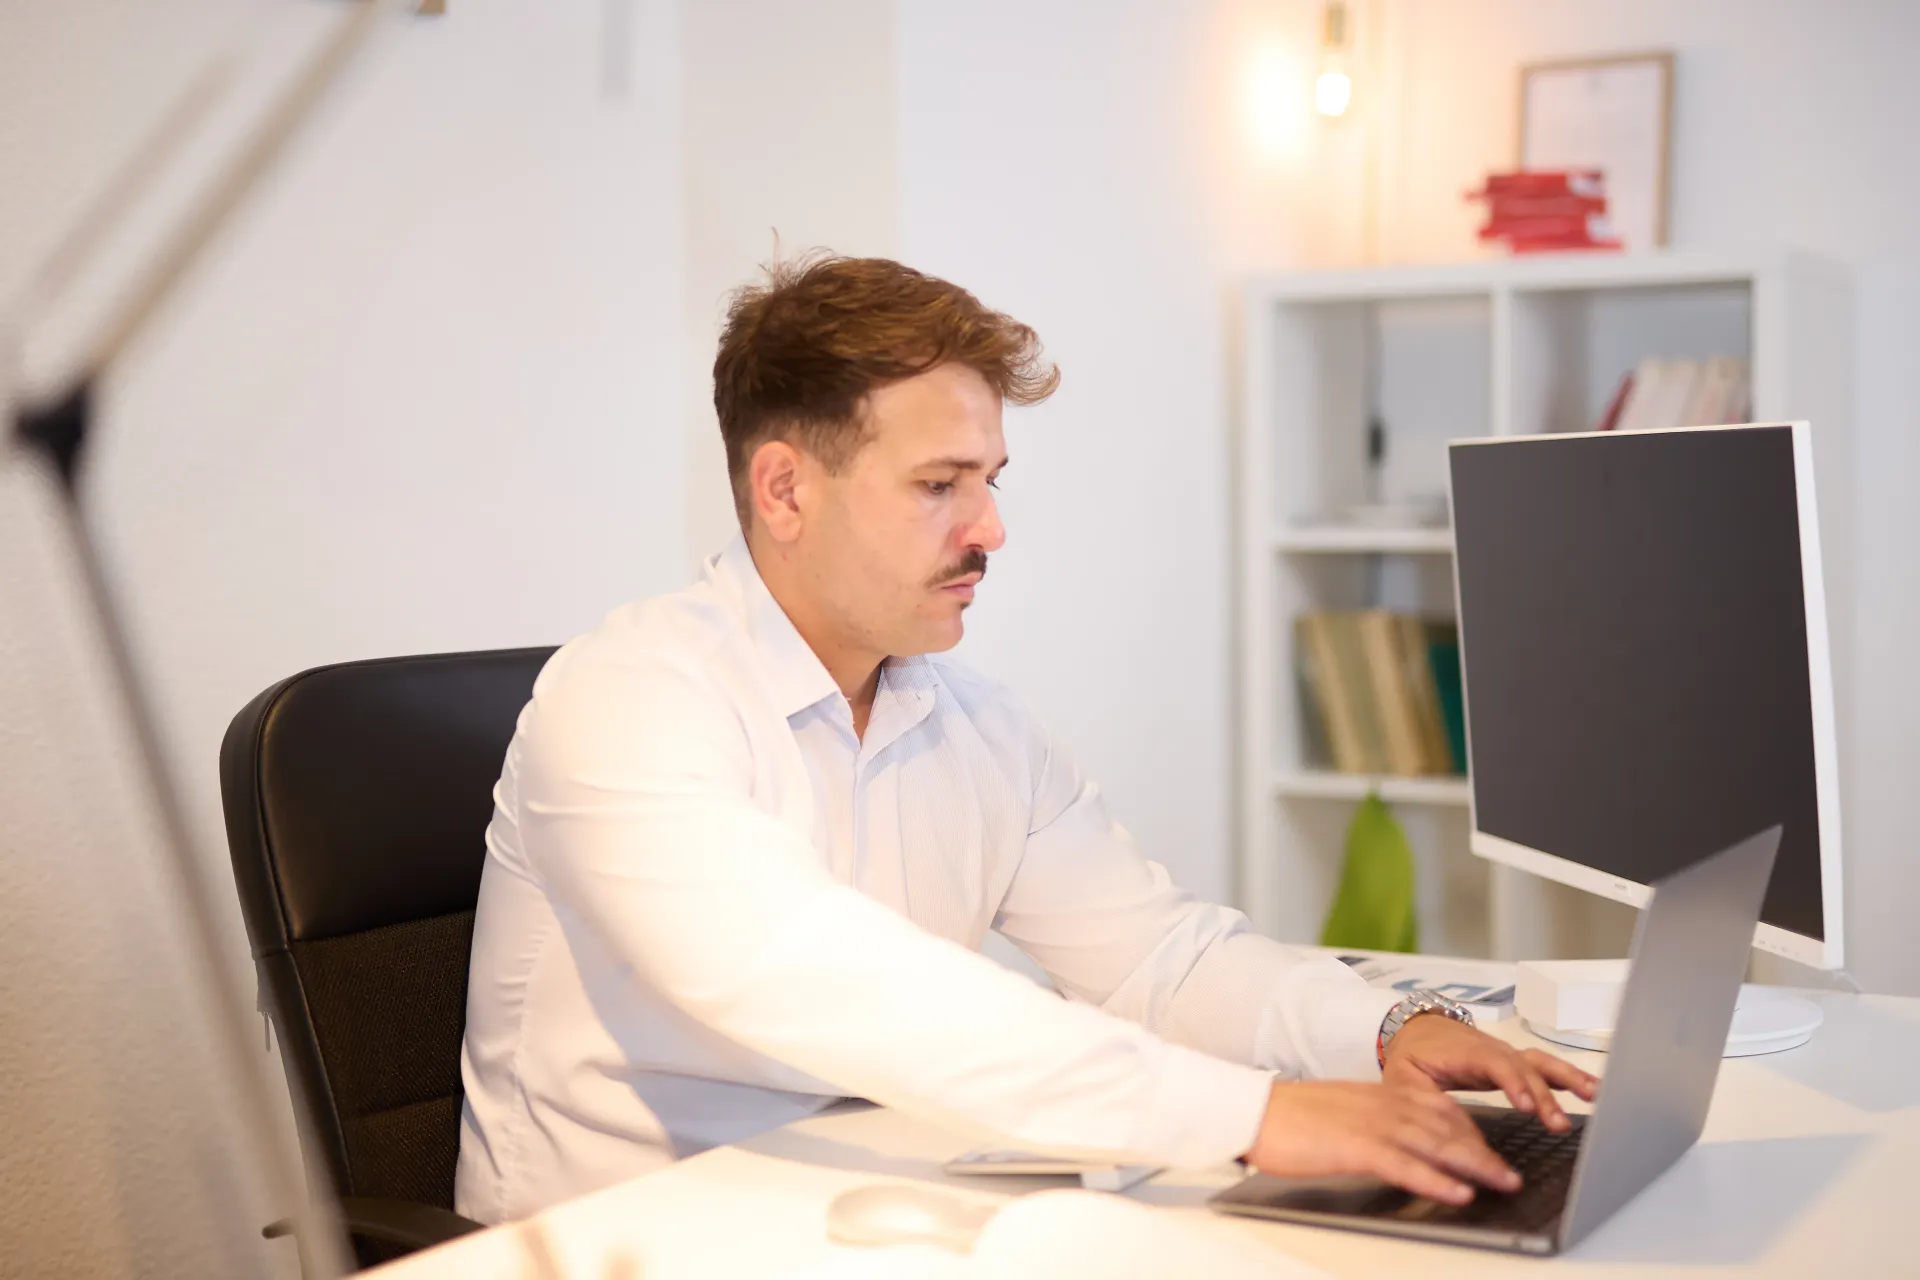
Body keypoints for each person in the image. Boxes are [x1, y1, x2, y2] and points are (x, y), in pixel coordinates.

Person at [454, 254, 1596, 1225]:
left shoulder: (971, 721)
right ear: (785, 489)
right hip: (626, 1237)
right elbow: (833, 981)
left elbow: (1160, 959)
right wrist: (1252, 1115)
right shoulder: (625, 701)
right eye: (939, 484)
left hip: (871, 1209)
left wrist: (1387, 1025)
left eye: (989, 480)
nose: (990, 527)